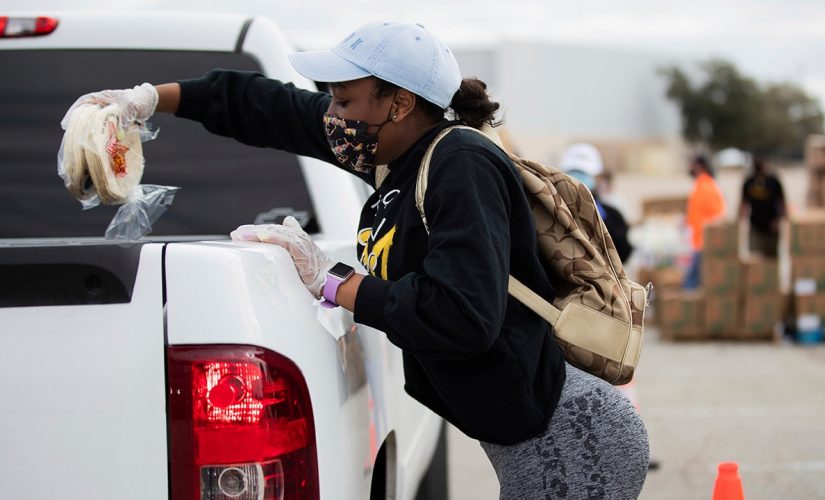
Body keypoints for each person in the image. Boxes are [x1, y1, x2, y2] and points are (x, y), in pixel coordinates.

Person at [65, 22, 648, 498]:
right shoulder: (396, 157)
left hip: (568, 441)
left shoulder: (459, 163)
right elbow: (267, 107)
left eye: (344, 98)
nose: (332, 111)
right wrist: (147, 100)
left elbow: (463, 316)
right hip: (529, 436)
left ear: (397, 103)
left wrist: (332, 282)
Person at [559, 143, 634, 262]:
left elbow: (623, 253)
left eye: (584, 174)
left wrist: (601, 221)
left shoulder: (613, 215)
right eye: (572, 173)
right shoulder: (555, 209)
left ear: (598, 177)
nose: (577, 180)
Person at [683, 154, 726, 289]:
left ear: (700, 166)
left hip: (703, 242)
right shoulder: (702, 184)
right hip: (699, 240)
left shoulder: (705, 185)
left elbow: (716, 214)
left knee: (691, 282)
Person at [739, 156, 786, 257]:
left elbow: (782, 203)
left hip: (771, 227)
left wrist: (778, 220)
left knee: (771, 259)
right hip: (755, 226)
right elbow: (743, 204)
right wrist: (738, 222)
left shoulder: (773, 181)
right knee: (756, 258)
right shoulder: (749, 182)